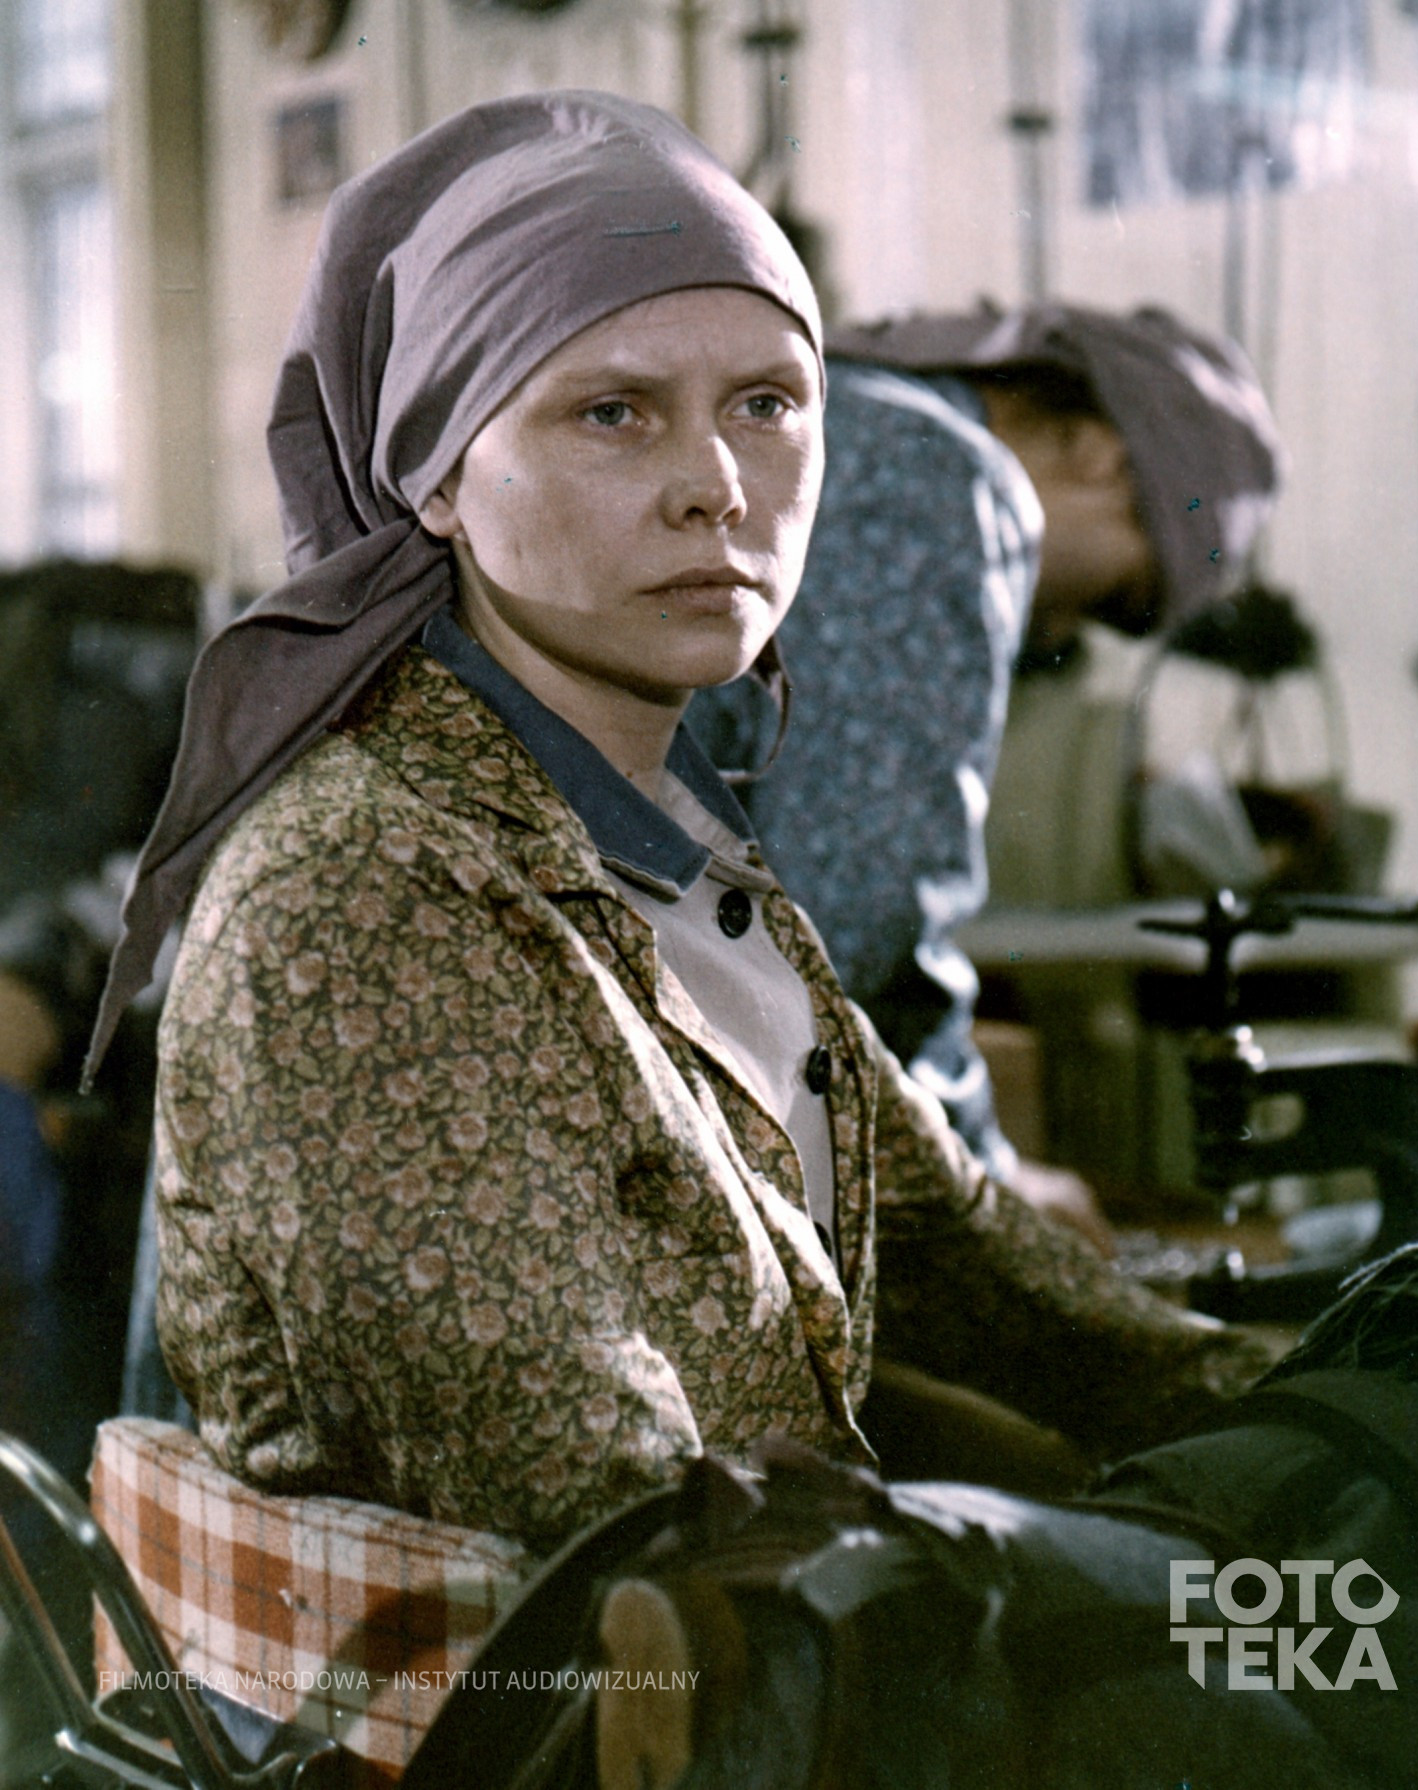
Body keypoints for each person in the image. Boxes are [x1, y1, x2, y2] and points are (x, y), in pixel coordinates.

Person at [86, 93, 1271, 1571]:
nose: (718, 485)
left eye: (768, 405)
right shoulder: (369, 884)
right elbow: (601, 1498)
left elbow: (958, 1252)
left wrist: (1317, 1400)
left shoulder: (668, 846)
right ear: (437, 474)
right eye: (614, 412)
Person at [690, 305, 1281, 1235]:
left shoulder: (836, 413)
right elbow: (858, 929)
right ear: (1098, 456)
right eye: (1114, 598)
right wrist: (987, 1180)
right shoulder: (946, 481)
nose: (1058, 629)